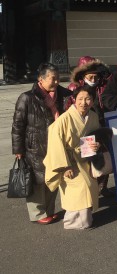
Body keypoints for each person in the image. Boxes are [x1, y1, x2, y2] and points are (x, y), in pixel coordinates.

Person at [12, 63, 71, 224]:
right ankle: (38, 214)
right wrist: (18, 149)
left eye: (59, 78)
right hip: (34, 145)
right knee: (37, 180)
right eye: (53, 79)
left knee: (52, 177)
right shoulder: (27, 98)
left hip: (55, 144)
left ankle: (49, 210)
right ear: (41, 79)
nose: (57, 82)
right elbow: (18, 125)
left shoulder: (64, 95)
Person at [44, 86, 102, 230]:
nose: (84, 103)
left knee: (89, 187)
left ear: (93, 100)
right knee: (78, 190)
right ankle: (73, 222)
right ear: (74, 100)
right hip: (68, 161)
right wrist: (64, 167)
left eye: (88, 99)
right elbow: (55, 143)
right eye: (80, 99)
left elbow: (97, 135)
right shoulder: (64, 119)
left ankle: (85, 219)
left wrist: (97, 144)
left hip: (86, 159)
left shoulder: (93, 116)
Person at [66, 56, 112, 196]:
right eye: (90, 77)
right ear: (82, 75)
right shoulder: (74, 88)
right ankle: (90, 191)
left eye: (95, 77)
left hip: (101, 124)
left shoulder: (103, 85)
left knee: (103, 157)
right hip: (84, 128)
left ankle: (101, 187)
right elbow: (69, 109)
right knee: (87, 160)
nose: (93, 80)